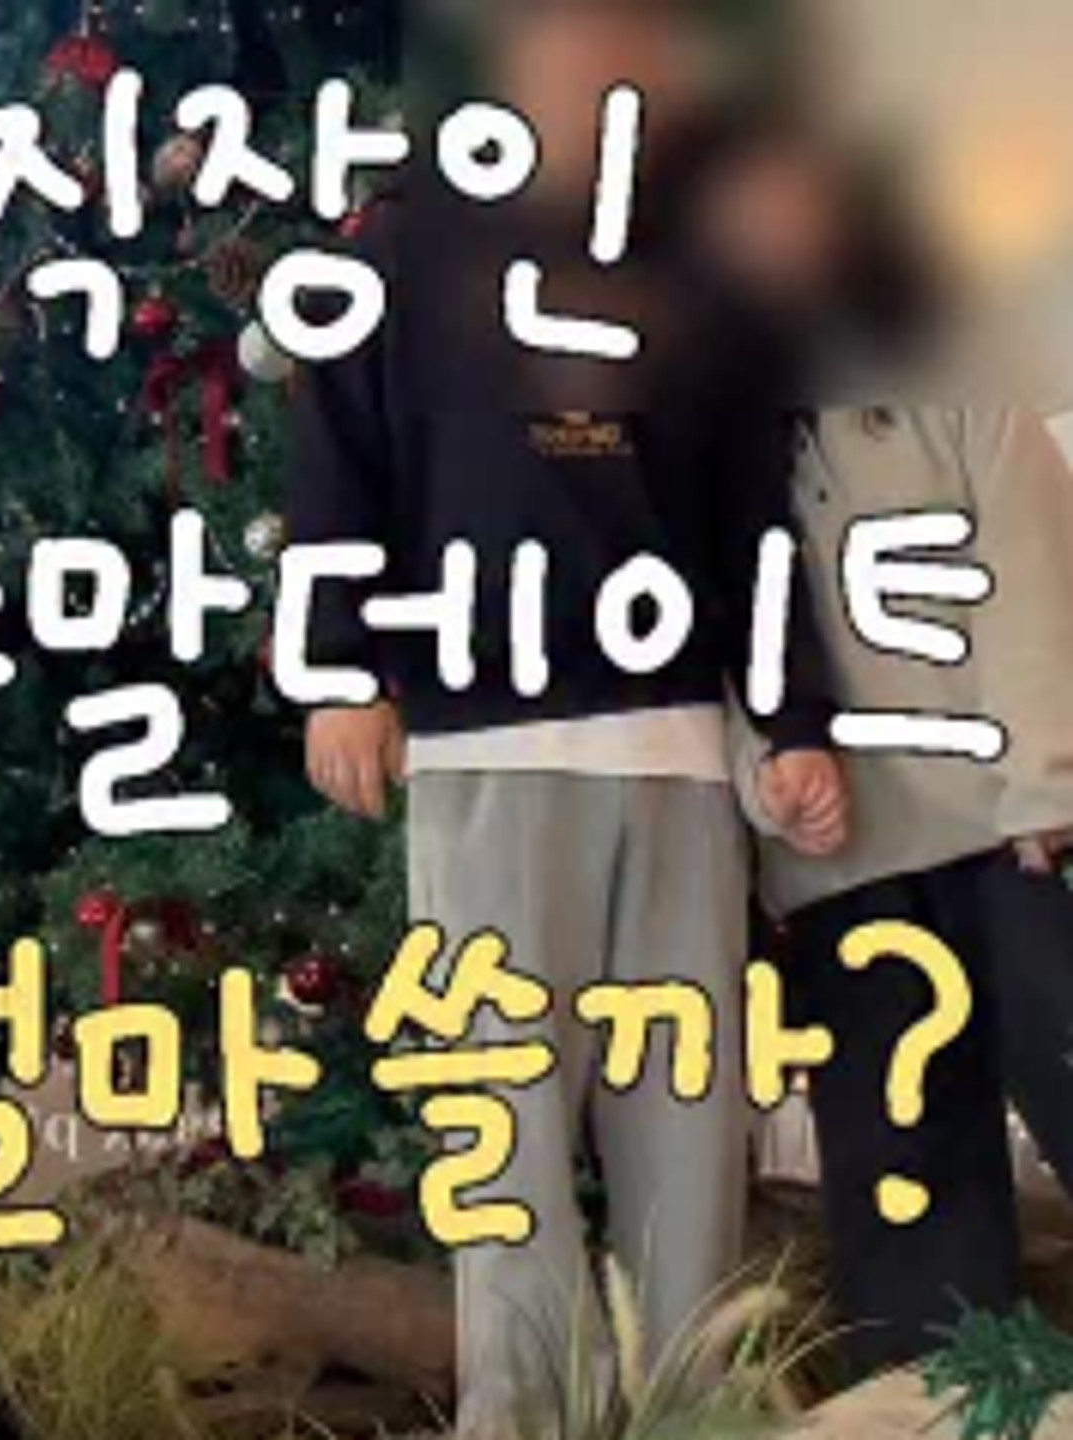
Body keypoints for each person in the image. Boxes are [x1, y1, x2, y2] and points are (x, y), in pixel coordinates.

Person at [287, 4, 847, 1434]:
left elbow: (755, 518)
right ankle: (521, 1416)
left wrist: (791, 720)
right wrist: (343, 667)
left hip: (678, 756)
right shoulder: (399, 252)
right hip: (485, 744)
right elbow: (337, 460)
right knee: (505, 1126)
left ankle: (691, 1411)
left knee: (687, 1124)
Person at [738, 405, 1073, 1373]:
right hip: (839, 874)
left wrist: (1048, 783)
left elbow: (1030, 564)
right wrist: (763, 792)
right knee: (907, 1214)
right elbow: (710, 629)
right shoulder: (709, 422)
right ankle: (944, 1408)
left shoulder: (952, 385)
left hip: (1010, 837)